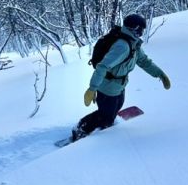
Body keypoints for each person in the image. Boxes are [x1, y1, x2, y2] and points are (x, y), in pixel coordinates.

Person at [71, 14, 171, 142]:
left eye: (142, 31)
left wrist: (160, 74)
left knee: (116, 107)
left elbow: (144, 62)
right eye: (140, 30)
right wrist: (92, 88)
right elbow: (102, 67)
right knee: (105, 116)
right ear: (132, 28)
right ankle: (80, 128)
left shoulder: (133, 44)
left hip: (119, 86)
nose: (141, 33)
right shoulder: (122, 47)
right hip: (107, 87)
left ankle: (109, 119)